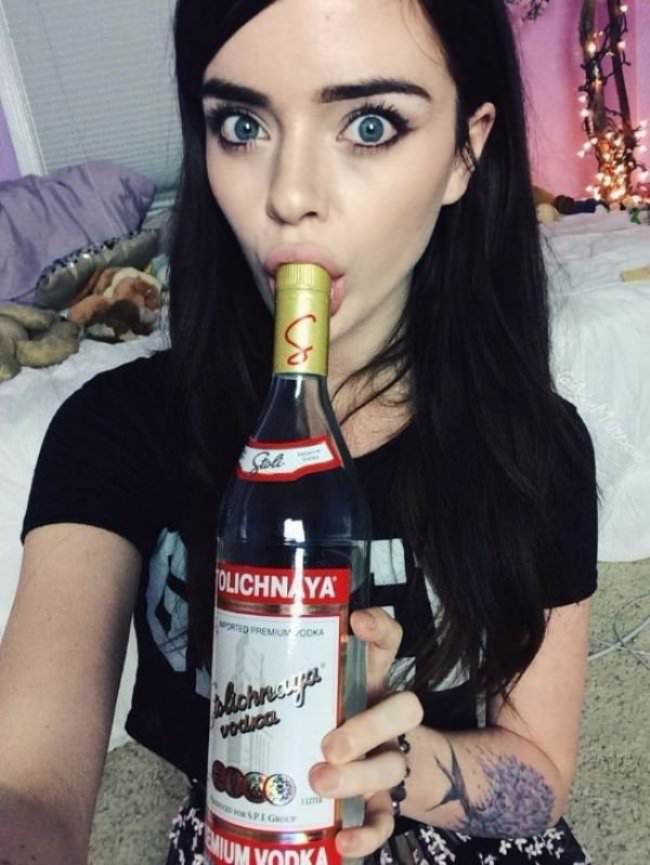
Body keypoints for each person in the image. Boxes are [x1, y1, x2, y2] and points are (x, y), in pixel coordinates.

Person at [0, 1, 599, 863]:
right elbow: (26, 786)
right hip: (246, 828)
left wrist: (394, 761)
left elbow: (540, 773)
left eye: (369, 124)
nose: (289, 197)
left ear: (465, 152)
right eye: (242, 125)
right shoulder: (118, 430)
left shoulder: (533, 448)